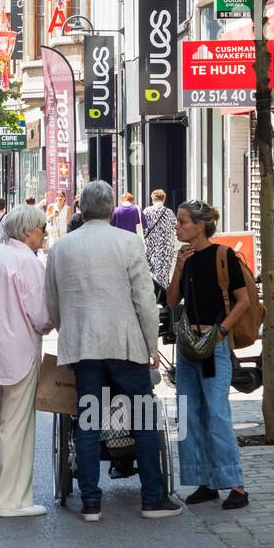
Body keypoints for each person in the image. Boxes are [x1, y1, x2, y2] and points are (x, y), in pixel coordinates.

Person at [44, 181, 180, 521]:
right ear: (110, 209)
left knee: (88, 421)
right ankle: (152, 498)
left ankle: (91, 502)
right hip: (124, 345)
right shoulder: (129, 242)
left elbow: (52, 300)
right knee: (144, 419)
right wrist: (152, 344)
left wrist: (67, 330)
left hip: (84, 347)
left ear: (82, 207)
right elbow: (145, 302)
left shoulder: (62, 247)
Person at [167, 199, 251, 510]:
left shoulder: (223, 255)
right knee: (189, 413)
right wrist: (178, 264)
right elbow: (173, 300)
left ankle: (236, 486)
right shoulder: (186, 256)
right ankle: (204, 481)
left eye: (183, 221)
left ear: (200, 226)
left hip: (213, 346)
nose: (177, 226)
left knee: (216, 414)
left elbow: (242, 301)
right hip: (188, 346)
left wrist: (221, 332)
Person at [0, 204, 55, 516]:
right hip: (18, 350)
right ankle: (13, 499)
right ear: (26, 231)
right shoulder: (27, 261)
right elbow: (41, 315)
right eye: (40, 228)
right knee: (17, 426)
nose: (43, 234)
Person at [141, 190, 179, 289]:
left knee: (151, 270)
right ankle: (163, 294)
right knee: (164, 271)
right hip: (166, 246)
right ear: (163, 199)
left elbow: (143, 229)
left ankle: (153, 292)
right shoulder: (169, 212)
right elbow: (175, 227)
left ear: (152, 199)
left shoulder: (147, 211)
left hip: (151, 246)